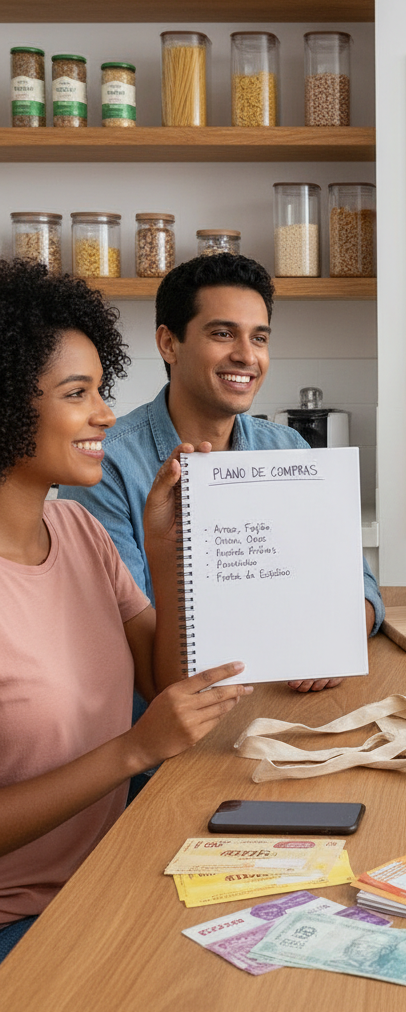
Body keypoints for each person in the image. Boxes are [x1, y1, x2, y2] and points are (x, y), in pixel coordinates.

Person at [0, 260, 251, 962]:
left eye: (101, 390)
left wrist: (166, 548)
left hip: (111, 877)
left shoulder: (79, 531)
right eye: (77, 394)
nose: (106, 413)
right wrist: (135, 750)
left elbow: (165, 685)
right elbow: (150, 734)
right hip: (20, 922)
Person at [61, 253, 384, 692]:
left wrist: (342, 635)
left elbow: (358, 583)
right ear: (168, 343)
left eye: (259, 338)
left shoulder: (288, 448)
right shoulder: (106, 465)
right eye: (222, 333)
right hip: (170, 718)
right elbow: (126, 636)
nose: (246, 356)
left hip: (285, 701)